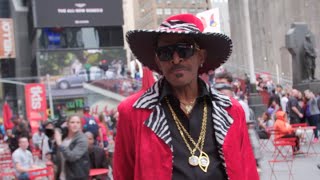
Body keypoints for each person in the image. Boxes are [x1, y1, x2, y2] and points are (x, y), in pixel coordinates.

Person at [114, 13, 259, 180]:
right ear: (158, 61)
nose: (176, 59)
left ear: (201, 56)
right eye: (165, 53)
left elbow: (248, 172)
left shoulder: (231, 110)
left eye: (184, 50)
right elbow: (122, 174)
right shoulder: (133, 113)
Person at [54, 115, 90, 180]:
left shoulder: (82, 139)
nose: (75, 125)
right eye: (72, 122)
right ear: (67, 124)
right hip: (62, 175)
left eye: (78, 122)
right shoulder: (64, 138)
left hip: (76, 176)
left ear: (80, 125)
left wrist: (59, 144)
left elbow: (72, 157)